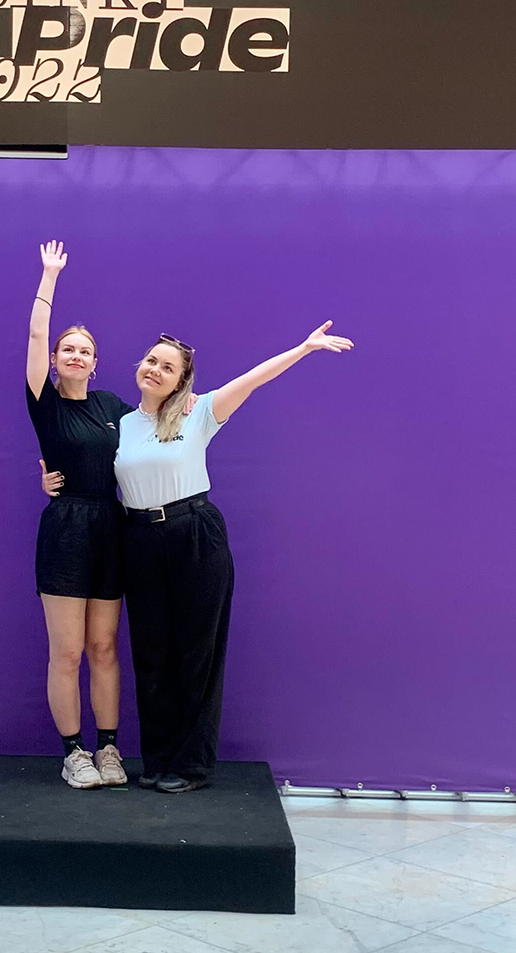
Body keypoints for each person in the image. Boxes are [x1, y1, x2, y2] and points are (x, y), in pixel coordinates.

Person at [117, 321, 353, 793]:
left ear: (182, 380)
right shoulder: (121, 423)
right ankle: (158, 761)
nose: (156, 370)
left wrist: (303, 348)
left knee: (196, 652)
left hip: (195, 536)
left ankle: (190, 766)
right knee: (151, 655)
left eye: (168, 367)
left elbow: (254, 378)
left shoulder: (198, 411)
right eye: (151, 361)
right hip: (140, 540)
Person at [25, 241, 133, 789]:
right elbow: (36, 334)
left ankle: (109, 750)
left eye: (84, 350)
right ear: (54, 361)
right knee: (67, 651)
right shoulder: (43, 400)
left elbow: (157, 432)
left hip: (110, 531)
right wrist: (49, 277)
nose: (74, 355)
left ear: (96, 362)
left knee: (104, 648)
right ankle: (74, 752)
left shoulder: (115, 407)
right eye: (67, 349)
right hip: (65, 531)